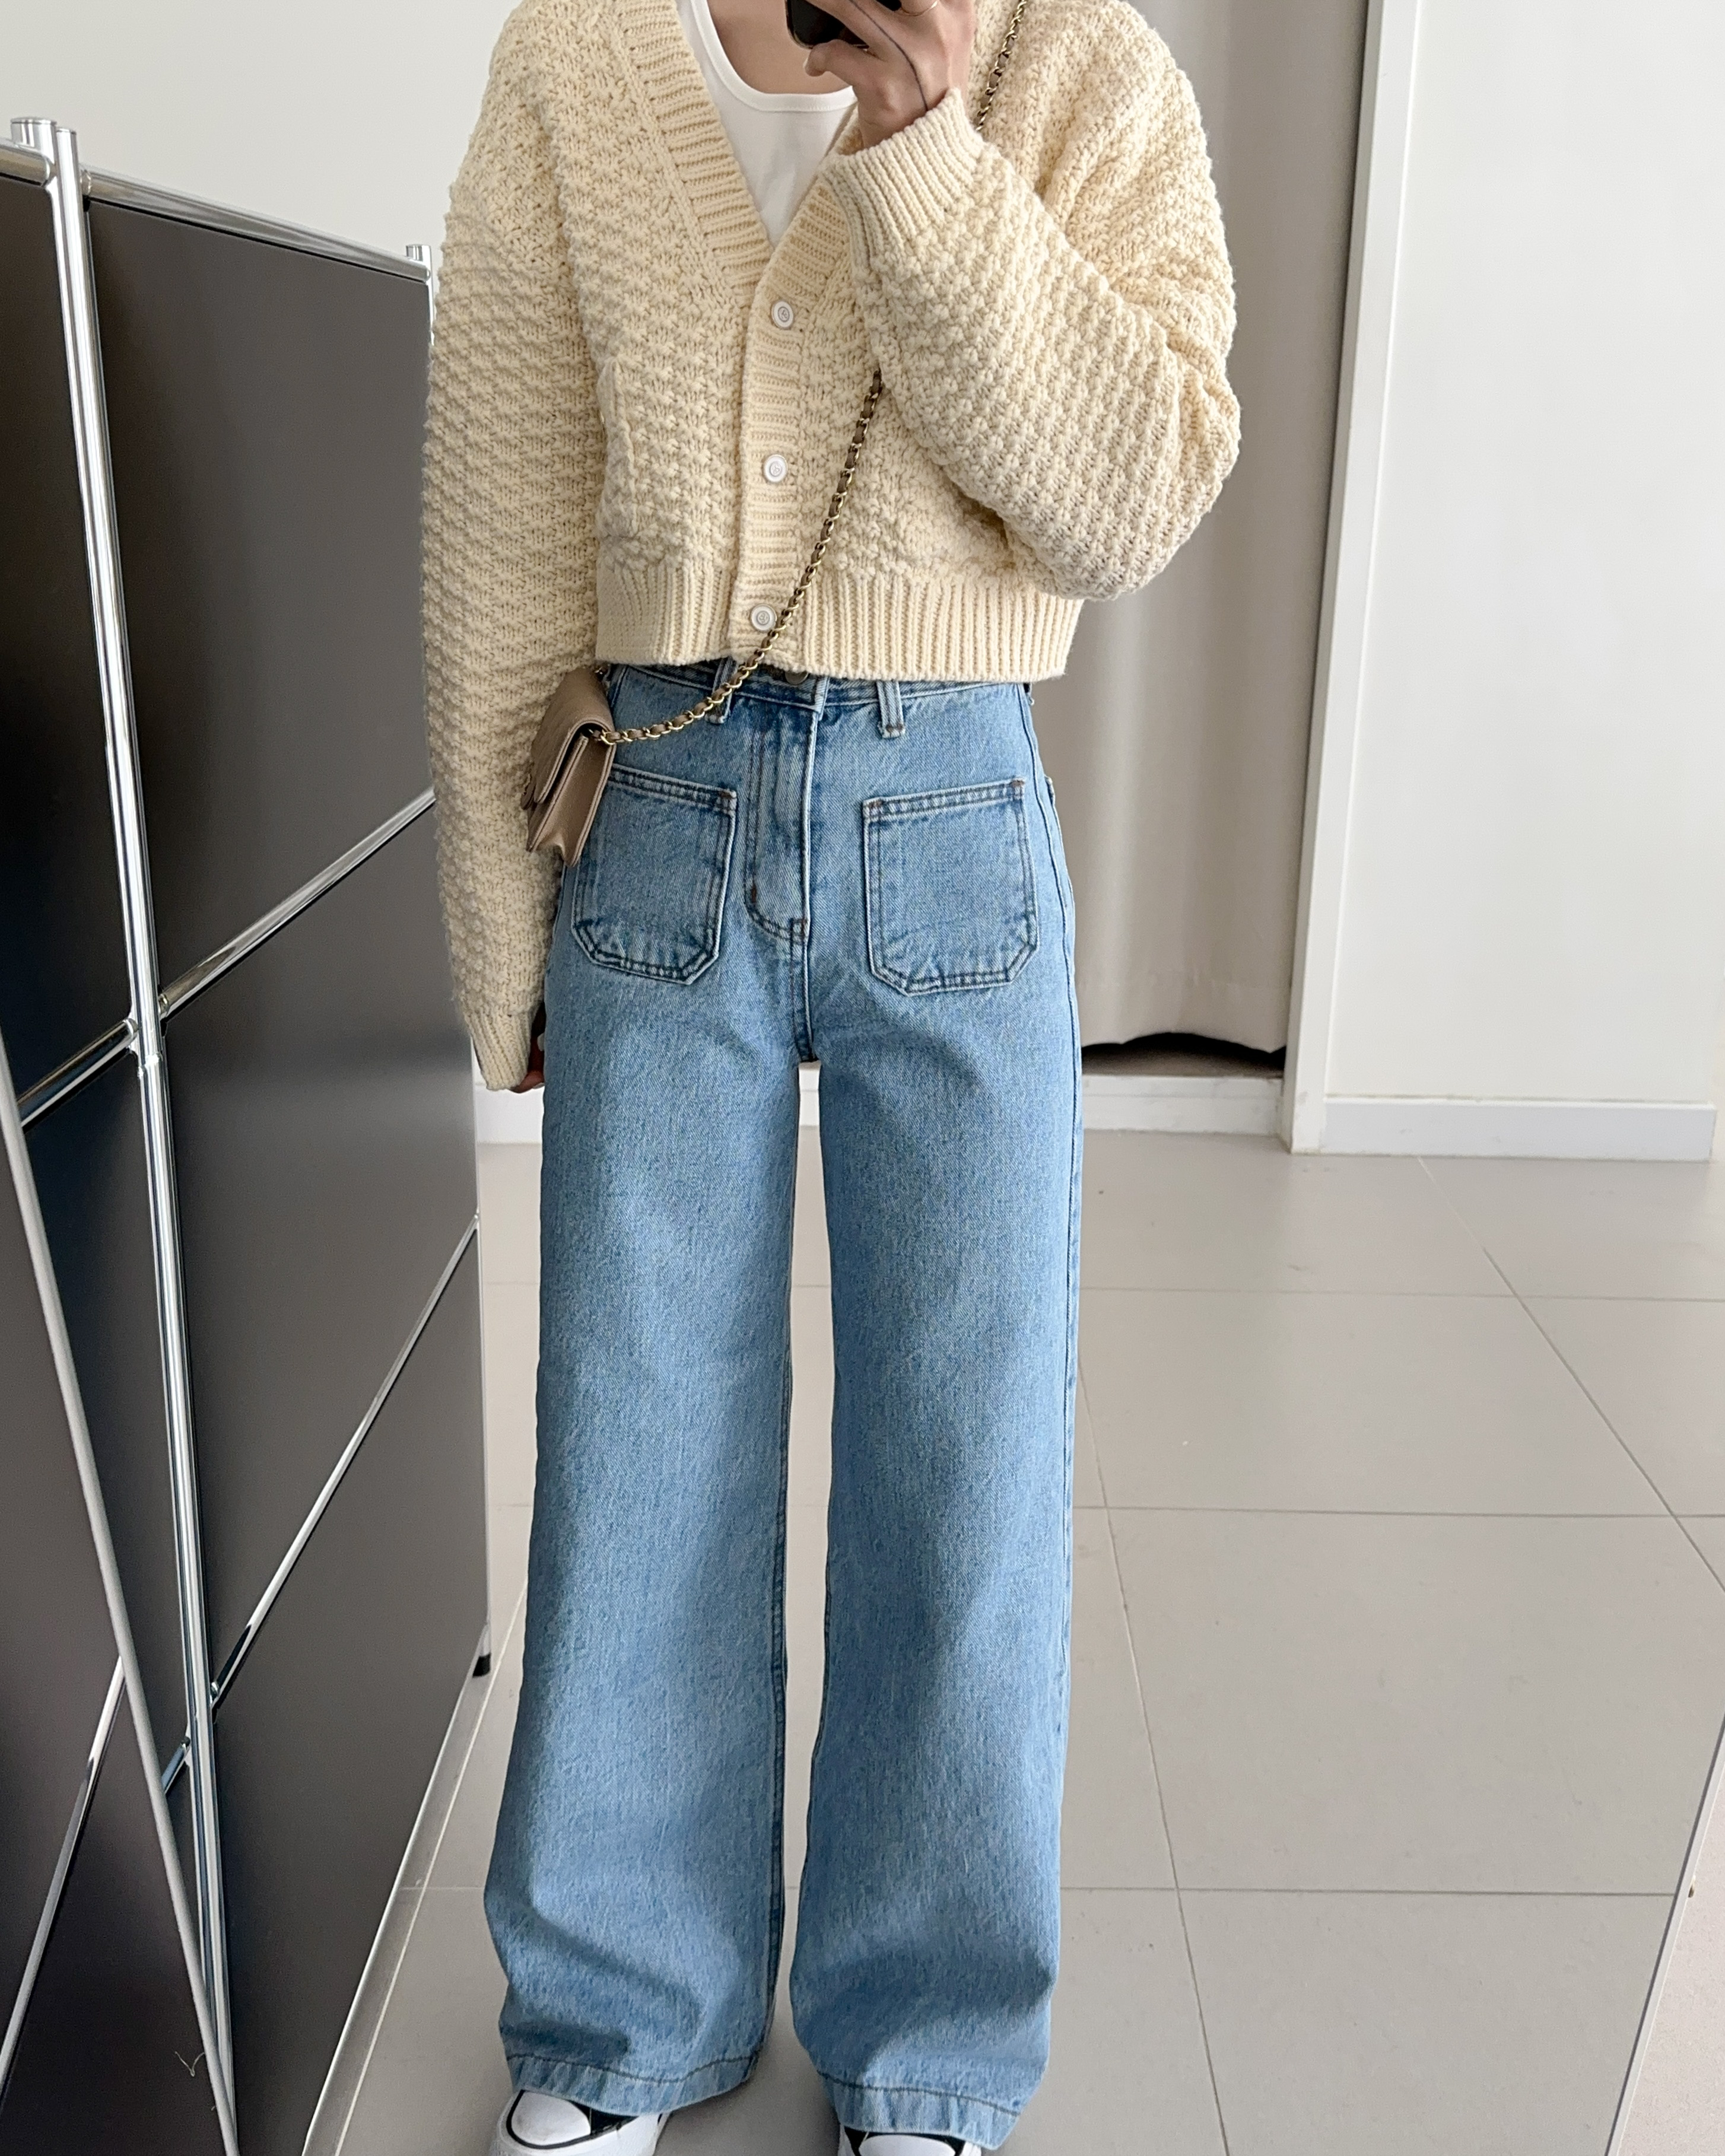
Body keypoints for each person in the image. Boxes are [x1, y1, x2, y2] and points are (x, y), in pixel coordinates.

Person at [423, 0, 1237, 2141]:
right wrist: (496, 927)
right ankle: (618, 2011)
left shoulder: (1087, 71)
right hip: (654, 814)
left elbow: (1131, 493)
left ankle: (928, 2036)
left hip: (948, 817)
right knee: (634, 1434)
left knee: (964, 1452)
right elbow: (504, 517)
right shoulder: (575, 57)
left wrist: (928, 148)